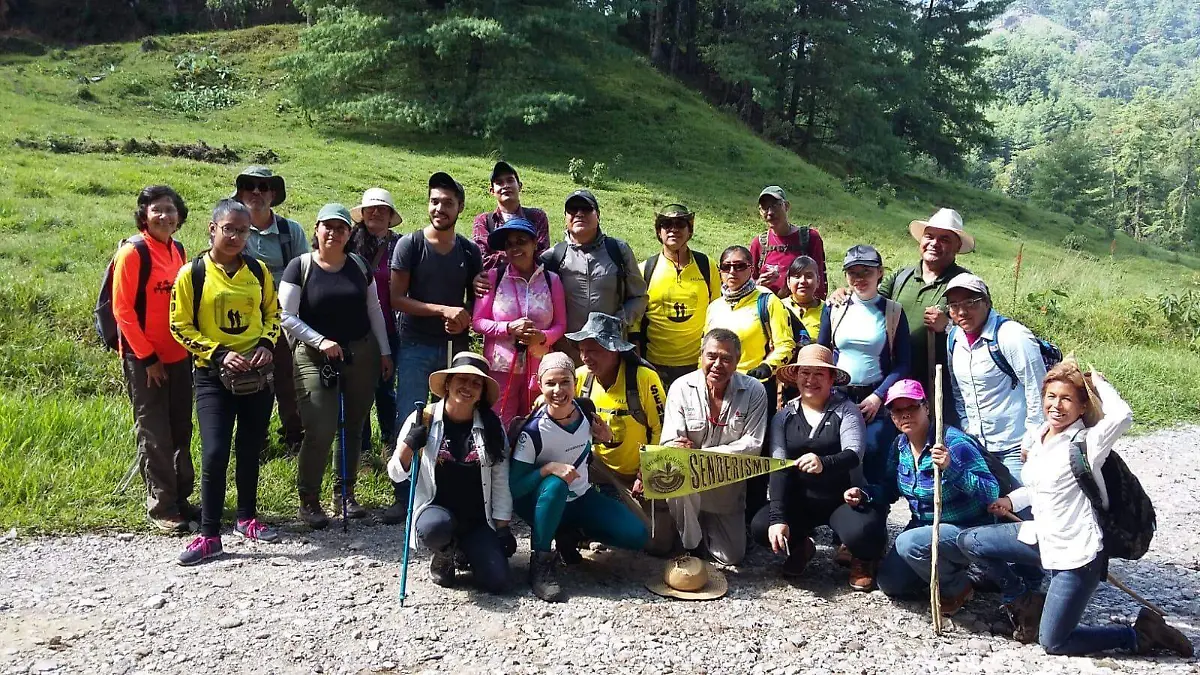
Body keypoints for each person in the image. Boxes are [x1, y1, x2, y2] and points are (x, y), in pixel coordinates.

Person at [957, 362, 1193, 657]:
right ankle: (1023, 598)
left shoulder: (1087, 445)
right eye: (1051, 396)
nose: (1056, 405)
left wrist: (1098, 383)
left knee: (1054, 642)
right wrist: (1012, 502)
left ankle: (1137, 635)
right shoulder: (1041, 436)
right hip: (1040, 538)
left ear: (1082, 407)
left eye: (1066, 399)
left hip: (1076, 556)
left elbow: (1123, 416)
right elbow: (1041, 487)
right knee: (969, 541)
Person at [169, 199, 282, 565]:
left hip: (256, 374)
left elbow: (273, 313)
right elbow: (179, 325)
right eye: (228, 228)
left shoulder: (259, 270)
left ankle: (247, 517)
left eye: (242, 230)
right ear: (212, 229)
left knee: (251, 447)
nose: (234, 236)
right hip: (212, 376)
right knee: (215, 452)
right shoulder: (193, 273)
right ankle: (209, 533)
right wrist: (218, 353)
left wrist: (266, 343)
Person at [280, 204, 393, 529]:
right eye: (327, 226)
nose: (334, 232)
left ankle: (344, 495)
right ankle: (309, 501)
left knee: (354, 426)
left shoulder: (357, 265)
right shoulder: (299, 266)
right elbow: (285, 316)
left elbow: (374, 310)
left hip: (361, 353)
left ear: (349, 233)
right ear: (316, 230)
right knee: (320, 427)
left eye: (341, 228)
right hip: (315, 358)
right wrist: (319, 341)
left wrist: (384, 353)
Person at [384, 172, 484, 524]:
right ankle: (403, 494)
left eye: (448, 203)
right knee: (410, 418)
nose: (440, 208)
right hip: (414, 343)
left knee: (455, 417)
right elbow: (397, 299)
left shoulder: (470, 251)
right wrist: (443, 310)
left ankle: (446, 488)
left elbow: (477, 304)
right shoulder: (409, 245)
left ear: (460, 209)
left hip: (454, 349)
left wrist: (465, 318)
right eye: (435, 201)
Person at [510, 352, 648, 602]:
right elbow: (515, 488)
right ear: (539, 385)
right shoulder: (532, 431)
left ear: (575, 382)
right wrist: (548, 468)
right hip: (542, 502)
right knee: (555, 485)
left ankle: (569, 535)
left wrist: (607, 438)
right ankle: (540, 562)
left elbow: (591, 442)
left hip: (581, 497)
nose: (558, 390)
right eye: (550, 383)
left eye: (565, 382)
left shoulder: (585, 410)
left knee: (637, 534)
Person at [853, 379, 999, 612]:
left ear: (927, 407)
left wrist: (952, 469)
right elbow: (890, 489)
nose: (905, 415)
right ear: (891, 416)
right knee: (890, 583)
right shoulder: (899, 446)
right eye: (898, 410)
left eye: (912, 407)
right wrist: (864, 494)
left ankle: (958, 586)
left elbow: (991, 491)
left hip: (965, 528)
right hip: (922, 526)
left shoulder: (955, 443)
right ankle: (941, 569)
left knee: (907, 543)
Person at [750, 345, 887, 589]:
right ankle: (801, 546)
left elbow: (854, 454)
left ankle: (863, 558)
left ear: (832, 378)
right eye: (805, 373)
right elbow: (779, 465)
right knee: (762, 525)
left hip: (842, 498)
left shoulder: (847, 410)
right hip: (801, 499)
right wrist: (778, 517)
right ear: (796, 376)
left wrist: (824, 463)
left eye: (819, 374)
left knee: (865, 532)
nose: (810, 380)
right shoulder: (784, 416)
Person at [387, 352, 514, 594]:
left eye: (476, 383)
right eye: (461, 380)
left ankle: (466, 549)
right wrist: (408, 445)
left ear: (481, 393)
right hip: (438, 511)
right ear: (448, 384)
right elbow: (396, 474)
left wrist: (503, 527)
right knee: (434, 528)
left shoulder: (492, 426)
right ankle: (444, 553)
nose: (468, 387)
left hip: (477, 518)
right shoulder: (422, 417)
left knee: (497, 581)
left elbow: (499, 479)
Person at [479, 189, 647, 364]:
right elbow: (520, 268)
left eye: (586, 208)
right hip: (567, 351)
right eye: (572, 210)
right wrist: (482, 279)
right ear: (565, 218)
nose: (579, 213)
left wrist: (619, 322)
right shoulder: (554, 256)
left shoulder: (619, 251)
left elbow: (639, 296)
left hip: (610, 347)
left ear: (598, 215)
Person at [113, 185, 195, 533]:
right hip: (146, 360)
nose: (165, 216)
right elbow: (122, 310)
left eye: (171, 210)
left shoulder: (177, 249)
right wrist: (148, 359)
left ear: (179, 218)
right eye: (157, 209)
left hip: (180, 357)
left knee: (180, 429)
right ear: (144, 214)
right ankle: (162, 507)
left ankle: (180, 497)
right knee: (154, 431)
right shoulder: (134, 252)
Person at [659, 329, 767, 565]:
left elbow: (752, 446)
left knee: (731, 558)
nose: (718, 364)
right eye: (712, 356)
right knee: (676, 468)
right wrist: (680, 450)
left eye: (727, 358)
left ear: (738, 361)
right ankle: (692, 544)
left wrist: (698, 454)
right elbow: (670, 442)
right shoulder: (680, 387)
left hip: (725, 489)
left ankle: (706, 531)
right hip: (690, 486)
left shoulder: (755, 391)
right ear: (701, 356)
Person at [568, 312, 673, 554]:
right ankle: (580, 525)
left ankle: (619, 514)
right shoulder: (581, 378)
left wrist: (648, 471)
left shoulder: (644, 378)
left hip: (639, 472)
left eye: (594, 349)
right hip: (597, 468)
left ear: (614, 350)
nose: (586, 357)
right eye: (583, 349)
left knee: (659, 546)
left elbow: (662, 428)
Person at [817, 245, 910, 489]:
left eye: (866, 272)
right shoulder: (834, 307)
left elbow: (903, 362)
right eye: (853, 273)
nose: (860, 279)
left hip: (876, 399)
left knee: (873, 452)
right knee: (835, 455)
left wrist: (878, 397)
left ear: (879, 273)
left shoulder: (893, 312)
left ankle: (874, 518)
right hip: (837, 396)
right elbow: (822, 353)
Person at [232, 165, 308, 453]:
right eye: (250, 186)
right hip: (241, 321)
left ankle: (294, 437)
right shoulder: (231, 228)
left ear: (273, 194)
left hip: (283, 319)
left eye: (263, 187)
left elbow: (305, 274)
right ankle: (255, 440)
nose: (256, 192)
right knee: (248, 381)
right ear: (240, 193)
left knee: (289, 382)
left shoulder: (291, 231)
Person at [945, 273, 1046, 481]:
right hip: (979, 448)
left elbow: (1039, 389)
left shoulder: (1012, 336)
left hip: (1016, 447)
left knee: (1020, 509)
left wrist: (1033, 438)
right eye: (954, 305)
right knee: (989, 508)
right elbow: (958, 390)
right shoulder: (954, 339)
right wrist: (966, 426)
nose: (962, 312)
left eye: (970, 303)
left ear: (987, 302)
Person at [472, 218, 567, 427]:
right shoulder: (492, 278)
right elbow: (478, 322)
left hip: (540, 368)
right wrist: (507, 328)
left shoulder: (552, 281)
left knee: (537, 425)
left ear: (535, 244)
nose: (515, 248)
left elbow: (561, 324)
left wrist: (542, 337)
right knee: (499, 426)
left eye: (521, 241)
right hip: (500, 368)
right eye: (509, 244)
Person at [635, 203, 720, 391]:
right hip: (655, 365)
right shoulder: (645, 270)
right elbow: (635, 324)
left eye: (680, 224)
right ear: (659, 231)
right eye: (666, 224)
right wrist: (639, 364)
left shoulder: (707, 266)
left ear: (690, 230)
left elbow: (718, 314)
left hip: (699, 364)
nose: (673, 229)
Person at [348, 188, 404, 457]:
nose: (377, 212)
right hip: (357, 329)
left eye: (383, 208)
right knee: (359, 390)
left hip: (392, 328)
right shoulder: (350, 244)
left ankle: (389, 440)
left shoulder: (402, 245)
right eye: (371, 208)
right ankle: (363, 447)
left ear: (391, 215)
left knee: (385, 386)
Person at [703, 245, 796, 381]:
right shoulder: (714, 307)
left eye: (739, 266)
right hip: (716, 384)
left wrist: (767, 367)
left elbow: (786, 344)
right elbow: (704, 349)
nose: (732, 271)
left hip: (754, 384)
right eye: (726, 267)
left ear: (751, 270)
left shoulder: (768, 301)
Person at [748, 185, 827, 300]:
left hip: (802, 311)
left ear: (787, 206)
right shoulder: (759, 244)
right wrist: (758, 285)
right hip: (768, 311)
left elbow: (820, 281)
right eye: (765, 208)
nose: (770, 212)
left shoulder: (810, 238)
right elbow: (747, 282)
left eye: (775, 206)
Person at [472, 161, 551, 270]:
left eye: (510, 180)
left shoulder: (537, 216)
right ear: (492, 191)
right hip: (497, 285)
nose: (505, 186)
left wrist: (502, 256)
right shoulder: (483, 221)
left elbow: (542, 257)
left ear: (519, 186)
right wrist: (524, 253)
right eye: (499, 183)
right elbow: (482, 261)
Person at [781, 256, 824, 341]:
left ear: (818, 281)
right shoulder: (778, 307)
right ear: (788, 282)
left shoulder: (828, 310)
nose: (803, 281)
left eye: (808, 276)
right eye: (797, 276)